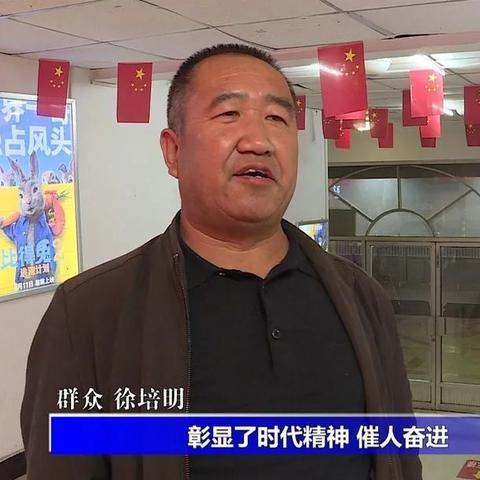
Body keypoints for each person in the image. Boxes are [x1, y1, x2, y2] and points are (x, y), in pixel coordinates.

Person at [21, 43, 422, 480]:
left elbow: (399, 457)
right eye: (229, 114)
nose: (259, 141)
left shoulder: (360, 296)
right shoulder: (90, 314)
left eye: (277, 118)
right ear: (173, 151)